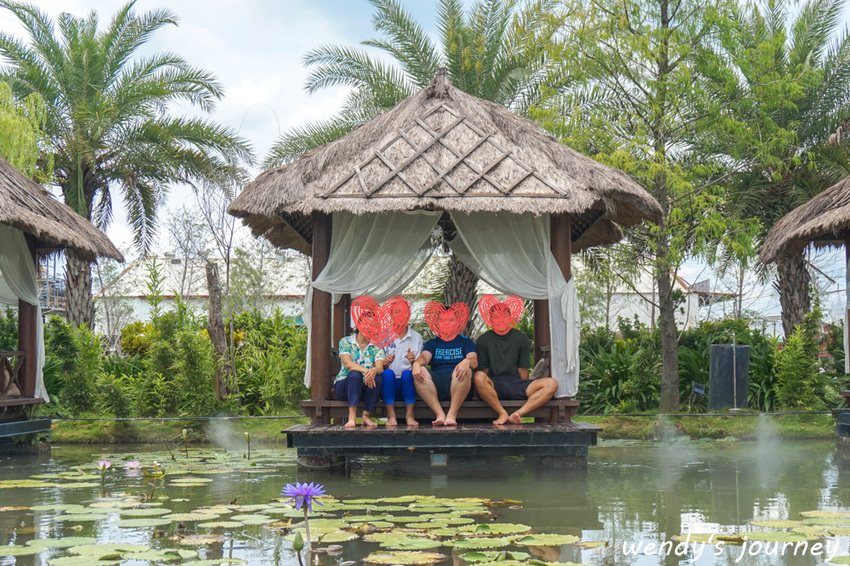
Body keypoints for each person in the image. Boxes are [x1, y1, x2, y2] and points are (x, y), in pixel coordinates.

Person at [473, 326, 558, 425]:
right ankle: (502, 413)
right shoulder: (483, 340)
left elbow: (523, 369)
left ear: (510, 317)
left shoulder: (521, 338)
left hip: (517, 384)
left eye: (504, 314)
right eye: (496, 315)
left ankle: (518, 414)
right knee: (478, 376)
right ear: (491, 319)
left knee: (551, 383)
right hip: (494, 384)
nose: (501, 318)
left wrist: (524, 390)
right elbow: (484, 371)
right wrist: (482, 391)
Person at [412, 332, 477, 426]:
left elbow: (474, 361)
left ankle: (452, 414)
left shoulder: (466, 341)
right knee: (420, 370)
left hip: (459, 384)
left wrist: (467, 361)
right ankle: (439, 414)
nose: (446, 323)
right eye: (443, 320)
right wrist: (416, 363)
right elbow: (425, 357)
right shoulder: (433, 342)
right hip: (437, 383)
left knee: (464, 370)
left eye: (451, 320)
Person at [335, 330, 385, 428]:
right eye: (367, 324)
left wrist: (374, 370)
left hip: (365, 387)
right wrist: (367, 371)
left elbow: (380, 368)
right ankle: (352, 416)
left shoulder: (377, 344)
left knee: (377, 378)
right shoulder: (346, 341)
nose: (369, 327)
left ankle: (366, 415)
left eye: (373, 326)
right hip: (345, 386)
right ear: (359, 325)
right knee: (355, 374)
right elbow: (349, 364)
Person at [381, 323, 423, 427]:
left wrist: (413, 361)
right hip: (388, 384)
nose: (398, 315)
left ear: (408, 314)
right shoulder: (383, 336)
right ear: (390, 314)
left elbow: (419, 364)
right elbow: (377, 364)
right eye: (395, 312)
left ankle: (409, 414)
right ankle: (391, 415)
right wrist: (385, 363)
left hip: (408, 383)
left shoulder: (416, 337)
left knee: (407, 374)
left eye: (402, 312)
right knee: (387, 374)